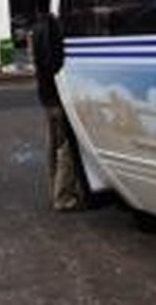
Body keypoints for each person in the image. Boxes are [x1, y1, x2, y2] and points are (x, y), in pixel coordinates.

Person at [32, 15, 90, 211]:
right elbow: (56, 63)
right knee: (68, 146)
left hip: (46, 96)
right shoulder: (54, 27)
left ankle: (55, 188)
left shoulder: (37, 28)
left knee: (53, 143)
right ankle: (64, 196)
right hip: (59, 96)